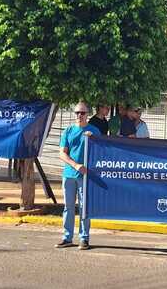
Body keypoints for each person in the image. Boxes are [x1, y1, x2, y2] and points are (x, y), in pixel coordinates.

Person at [57, 102, 100, 250]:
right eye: (77, 113)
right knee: (68, 207)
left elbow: (101, 151)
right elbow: (62, 153)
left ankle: (84, 238)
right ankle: (67, 237)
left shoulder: (94, 131)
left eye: (82, 113)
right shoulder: (68, 131)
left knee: (84, 207)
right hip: (69, 175)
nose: (79, 116)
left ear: (88, 114)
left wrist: (93, 139)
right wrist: (76, 165)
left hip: (86, 177)